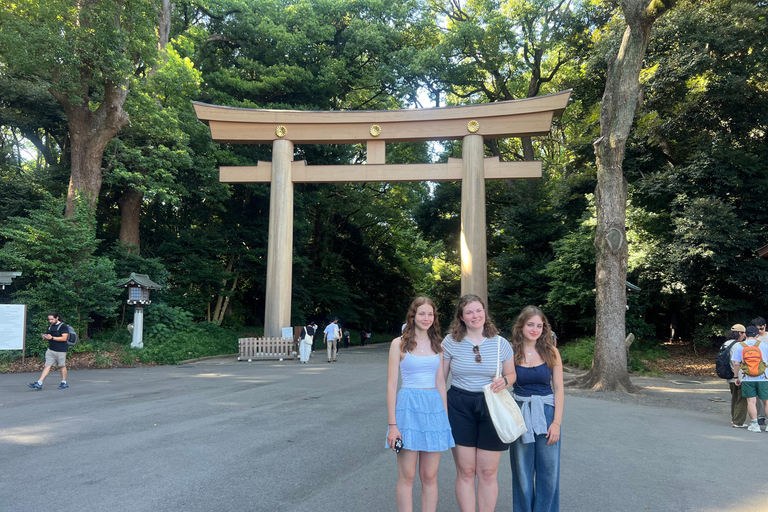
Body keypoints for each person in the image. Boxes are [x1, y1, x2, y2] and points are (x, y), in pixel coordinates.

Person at [442, 294, 516, 512]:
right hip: (459, 404)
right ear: (461, 317)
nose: (475, 316)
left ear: (485, 312)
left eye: (478, 310)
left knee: (487, 472)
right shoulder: (450, 342)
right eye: (469, 312)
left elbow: (511, 374)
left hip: (492, 405)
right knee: (466, 471)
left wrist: (504, 380)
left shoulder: (501, 343)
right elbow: (440, 378)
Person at [386, 297, 454, 512]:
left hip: (433, 410)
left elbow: (441, 382)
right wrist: (392, 425)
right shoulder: (399, 343)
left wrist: (444, 417)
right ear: (413, 316)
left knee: (429, 475)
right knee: (407, 476)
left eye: (430, 314)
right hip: (408, 408)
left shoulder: (439, 345)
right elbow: (391, 385)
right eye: (422, 313)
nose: (426, 318)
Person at [509, 306, 564, 512]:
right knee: (522, 471)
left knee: (549, 471)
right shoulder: (511, 352)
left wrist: (556, 422)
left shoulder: (551, 351)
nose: (534, 329)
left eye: (539, 326)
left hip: (547, 413)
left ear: (544, 328)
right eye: (530, 324)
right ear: (521, 326)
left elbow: (558, 388)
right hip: (520, 412)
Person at [731, 325, 768, 432]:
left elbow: (736, 364)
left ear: (745, 334)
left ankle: (755, 424)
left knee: (751, 402)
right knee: (766, 401)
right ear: (757, 335)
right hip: (764, 377)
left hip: (747, 377)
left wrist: (736, 377)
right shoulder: (764, 346)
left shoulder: (739, 346)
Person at [28, 312, 70, 390]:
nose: (50, 321)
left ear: (57, 318)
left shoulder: (63, 326)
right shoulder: (50, 326)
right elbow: (49, 336)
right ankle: (39, 383)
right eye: (49, 319)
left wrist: (52, 338)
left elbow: (64, 338)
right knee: (47, 366)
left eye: (52, 319)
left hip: (61, 350)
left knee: (62, 366)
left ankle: (64, 382)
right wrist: (45, 337)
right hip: (51, 350)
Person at [722, 324, 748, 428]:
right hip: (738, 375)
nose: (744, 336)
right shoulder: (739, 345)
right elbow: (740, 362)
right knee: (742, 398)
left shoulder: (725, 344)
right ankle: (738, 422)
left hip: (729, 375)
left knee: (735, 398)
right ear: (740, 333)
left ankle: (734, 419)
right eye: (743, 333)